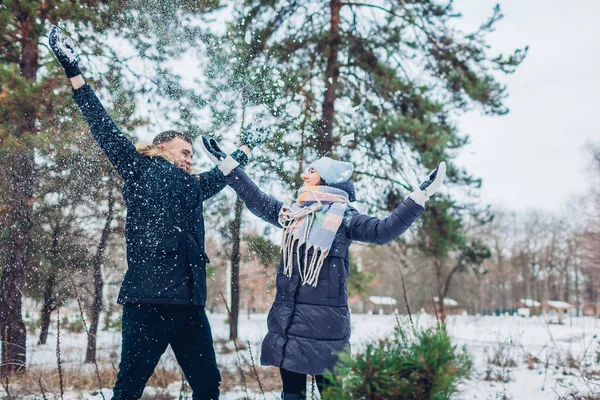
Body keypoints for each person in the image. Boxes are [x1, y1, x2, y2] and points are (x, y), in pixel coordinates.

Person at [48, 26, 261, 400]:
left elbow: (222, 176)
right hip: (147, 302)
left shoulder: (194, 186)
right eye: (184, 152)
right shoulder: (138, 167)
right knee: (129, 387)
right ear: (162, 148)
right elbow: (103, 127)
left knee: (208, 384)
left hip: (190, 306)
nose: (189, 159)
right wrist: (74, 74)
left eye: (192, 155)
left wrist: (243, 150)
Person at [201, 138, 446, 399]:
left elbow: (383, 230)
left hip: (325, 328)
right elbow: (257, 200)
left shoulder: (344, 218)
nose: (304, 175)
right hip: (289, 323)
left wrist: (420, 195)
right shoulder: (293, 214)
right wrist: (228, 165)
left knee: (330, 394)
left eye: (312, 171)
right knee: (291, 394)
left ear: (325, 179)